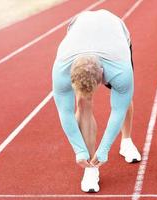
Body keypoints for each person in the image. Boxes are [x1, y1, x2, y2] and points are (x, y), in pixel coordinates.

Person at [52, 10, 141, 193]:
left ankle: (127, 140)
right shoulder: (61, 68)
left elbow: (119, 109)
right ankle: (91, 167)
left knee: (125, 96)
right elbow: (65, 112)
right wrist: (79, 150)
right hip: (79, 27)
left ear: (102, 75)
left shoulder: (120, 68)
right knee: (83, 103)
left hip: (114, 31)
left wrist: (105, 148)